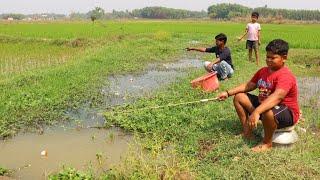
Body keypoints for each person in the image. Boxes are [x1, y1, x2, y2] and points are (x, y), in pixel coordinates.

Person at [217, 39, 300, 152]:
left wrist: (256, 112)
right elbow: (249, 85)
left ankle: (267, 143)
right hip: (266, 107)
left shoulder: (285, 75)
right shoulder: (263, 71)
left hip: (286, 112)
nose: (269, 60)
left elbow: (277, 97)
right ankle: (247, 132)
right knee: (239, 97)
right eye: (267, 57)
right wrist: (227, 93)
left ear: (284, 58)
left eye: (273, 58)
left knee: (267, 111)